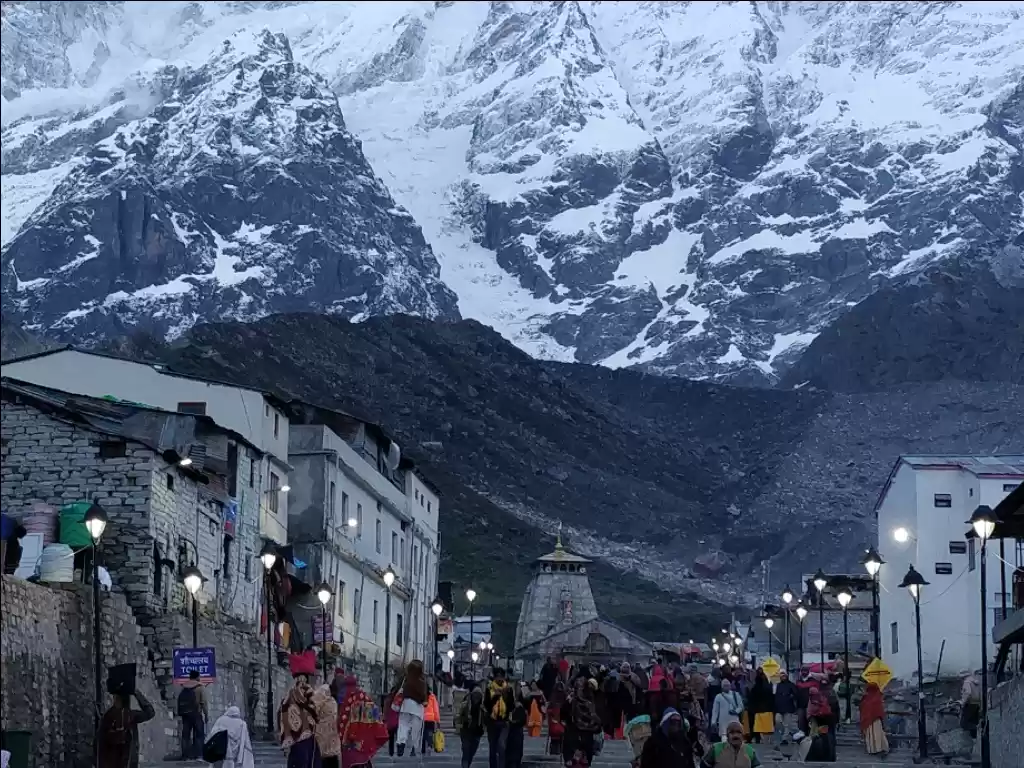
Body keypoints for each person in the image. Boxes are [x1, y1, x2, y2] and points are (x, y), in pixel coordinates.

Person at [336, 672, 389, 768]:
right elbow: (374, 717)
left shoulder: (341, 696)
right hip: (362, 741)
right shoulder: (363, 696)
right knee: (361, 760)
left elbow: (339, 718)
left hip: (345, 740)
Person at [98, 689, 156, 768]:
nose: (115, 699)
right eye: (115, 697)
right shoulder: (109, 717)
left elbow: (150, 713)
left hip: (128, 761)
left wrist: (137, 694)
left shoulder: (130, 715)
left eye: (117, 697)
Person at [279, 674, 321, 768]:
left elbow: (282, 715)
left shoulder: (288, 697)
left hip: (294, 737)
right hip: (307, 735)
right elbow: (316, 712)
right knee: (309, 760)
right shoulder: (308, 693)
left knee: (296, 760)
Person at [394, 660, 429, 756]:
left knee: (403, 725)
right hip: (417, 707)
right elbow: (423, 696)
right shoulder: (422, 681)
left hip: (405, 705)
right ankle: (414, 748)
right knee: (416, 729)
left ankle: (401, 743)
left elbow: (397, 689)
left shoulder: (405, 679)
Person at [484, 667, 516, 768]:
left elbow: (511, 705)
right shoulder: (489, 689)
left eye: (501, 676)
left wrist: (505, 697)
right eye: (497, 676)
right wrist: (495, 697)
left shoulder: (508, 689)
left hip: (504, 721)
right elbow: (486, 705)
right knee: (492, 747)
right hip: (492, 722)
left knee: (501, 746)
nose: (499, 678)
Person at [570, 677, 603, 766]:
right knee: (586, 752)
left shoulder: (574, 699)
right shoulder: (591, 698)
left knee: (579, 752)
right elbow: (596, 714)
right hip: (587, 730)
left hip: (577, 730)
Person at [178, 670, 210, 759]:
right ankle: (198, 755)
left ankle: (185, 755)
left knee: (185, 736)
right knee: (199, 735)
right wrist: (206, 715)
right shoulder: (200, 687)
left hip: (186, 714)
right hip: (196, 714)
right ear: (197, 677)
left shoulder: (184, 687)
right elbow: (203, 702)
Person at [457, 687, 487, 768]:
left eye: (478, 695)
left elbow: (485, 720)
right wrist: (459, 728)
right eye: (475, 695)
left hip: (477, 733)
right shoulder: (465, 705)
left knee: (471, 753)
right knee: (466, 752)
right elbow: (458, 717)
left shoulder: (482, 707)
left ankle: (467, 765)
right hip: (466, 731)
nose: (476, 698)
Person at [313, 684, 341, 768]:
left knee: (327, 758)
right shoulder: (330, 701)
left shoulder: (326, 701)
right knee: (329, 758)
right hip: (328, 735)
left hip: (326, 735)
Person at [859, 682, 888, 757]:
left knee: (870, 734)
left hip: (868, 720)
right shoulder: (877, 698)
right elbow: (879, 709)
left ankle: (872, 749)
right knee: (878, 734)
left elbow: (862, 709)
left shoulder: (866, 698)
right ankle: (880, 748)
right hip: (876, 720)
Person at [745, 671, 774, 744]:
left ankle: (756, 738)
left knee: (756, 725)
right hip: (766, 710)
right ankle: (764, 739)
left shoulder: (754, 688)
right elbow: (771, 699)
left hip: (756, 711)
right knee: (764, 726)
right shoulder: (768, 687)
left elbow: (751, 699)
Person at [772, 671, 798, 745]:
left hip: (788, 707)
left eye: (784, 676)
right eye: (782, 676)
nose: (783, 677)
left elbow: (796, 694)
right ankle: (788, 734)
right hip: (779, 708)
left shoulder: (791, 685)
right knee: (778, 722)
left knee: (787, 724)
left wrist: (790, 697)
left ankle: (784, 739)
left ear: (787, 676)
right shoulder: (777, 685)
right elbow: (775, 696)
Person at [423, 688, 441, 754]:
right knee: (430, 733)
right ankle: (429, 746)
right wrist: (438, 720)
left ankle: (423, 749)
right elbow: (436, 710)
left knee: (423, 734)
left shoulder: (421, 697)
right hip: (431, 718)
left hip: (423, 718)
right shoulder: (432, 697)